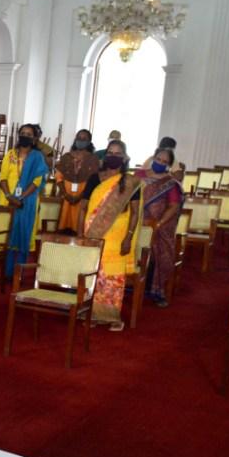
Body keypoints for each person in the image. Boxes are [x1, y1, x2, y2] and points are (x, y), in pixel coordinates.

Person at [78, 140, 141, 331]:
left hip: (117, 238)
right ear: (105, 156)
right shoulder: (95, 178)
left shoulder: (129, 182)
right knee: (93, 274)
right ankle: (93, 314)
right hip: (94, 234)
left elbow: (135, 212)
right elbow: (82, 208)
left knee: (112, 278)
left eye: (118, 153)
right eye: (110, 152)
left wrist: (129, 237)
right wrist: (81, 233)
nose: (114, 156)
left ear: (124, 158)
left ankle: (112, 317)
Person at [136, 148, 183, 308]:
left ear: (169, 165)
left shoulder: (170, 183)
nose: (160, 163)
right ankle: (130, 286)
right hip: (136, 223)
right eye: (158, 159)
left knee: (159, 255)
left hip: (159, 226)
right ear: (153, 157)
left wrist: (159, 224)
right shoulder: (139, 176)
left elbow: (174, 206)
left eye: (164, 162)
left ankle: (156, 290)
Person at [0, 131, 49, 277]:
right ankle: (7, 272)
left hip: (28, 202)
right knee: (8, 237)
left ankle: (18, 274)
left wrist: (20, 198)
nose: (25, 135)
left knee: (23, 236)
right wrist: (10, 196)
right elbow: (3, 178)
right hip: (9, 202)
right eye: (22, 133)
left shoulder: (37, 157)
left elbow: (37, 182)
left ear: (34, 139)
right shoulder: (10, 155)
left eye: (29, 134)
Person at [53, 130, 100, 234]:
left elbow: (94, 181)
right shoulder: (66, 157)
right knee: (63, 227)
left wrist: (81, 196)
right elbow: (59, 176)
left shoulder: (93, 159)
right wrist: (65, 194)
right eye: (79, 138)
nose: (81, 141)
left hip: (84, 197)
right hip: (66, 195)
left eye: (84, 139)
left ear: (89, 142)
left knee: (79, 226)